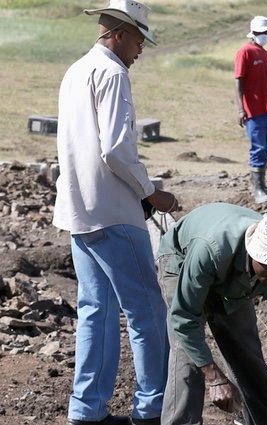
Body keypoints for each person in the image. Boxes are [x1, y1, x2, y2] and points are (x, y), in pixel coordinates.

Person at [53, 1, 179, 424]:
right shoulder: (112, 73)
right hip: (113, 211)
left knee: (96, 311)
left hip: (78, 209)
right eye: (139, 39)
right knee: (146, 311)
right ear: (120, 34)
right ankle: (152, 409)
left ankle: (87, 412)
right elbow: (116, 149)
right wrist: (152, 193)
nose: (141, 49)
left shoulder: (75, 70)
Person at [156, 203, 267, 425]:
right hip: (183, 259)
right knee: (188, 355)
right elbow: (184, 320)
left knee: (246, 351)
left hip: (232, 270)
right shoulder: (210, 251)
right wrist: (215, 378)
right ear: (258, 255)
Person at [234, 15, 267, 203]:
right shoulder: (245, 52)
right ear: (253, 33)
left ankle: (262, 184)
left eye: (266, 32)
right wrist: (240, 109)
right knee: (258, 148)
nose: (264, 35)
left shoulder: (265, 54)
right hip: (253, 110)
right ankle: (257, 188)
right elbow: (238, 82)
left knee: (266, 147)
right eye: (261, 33)